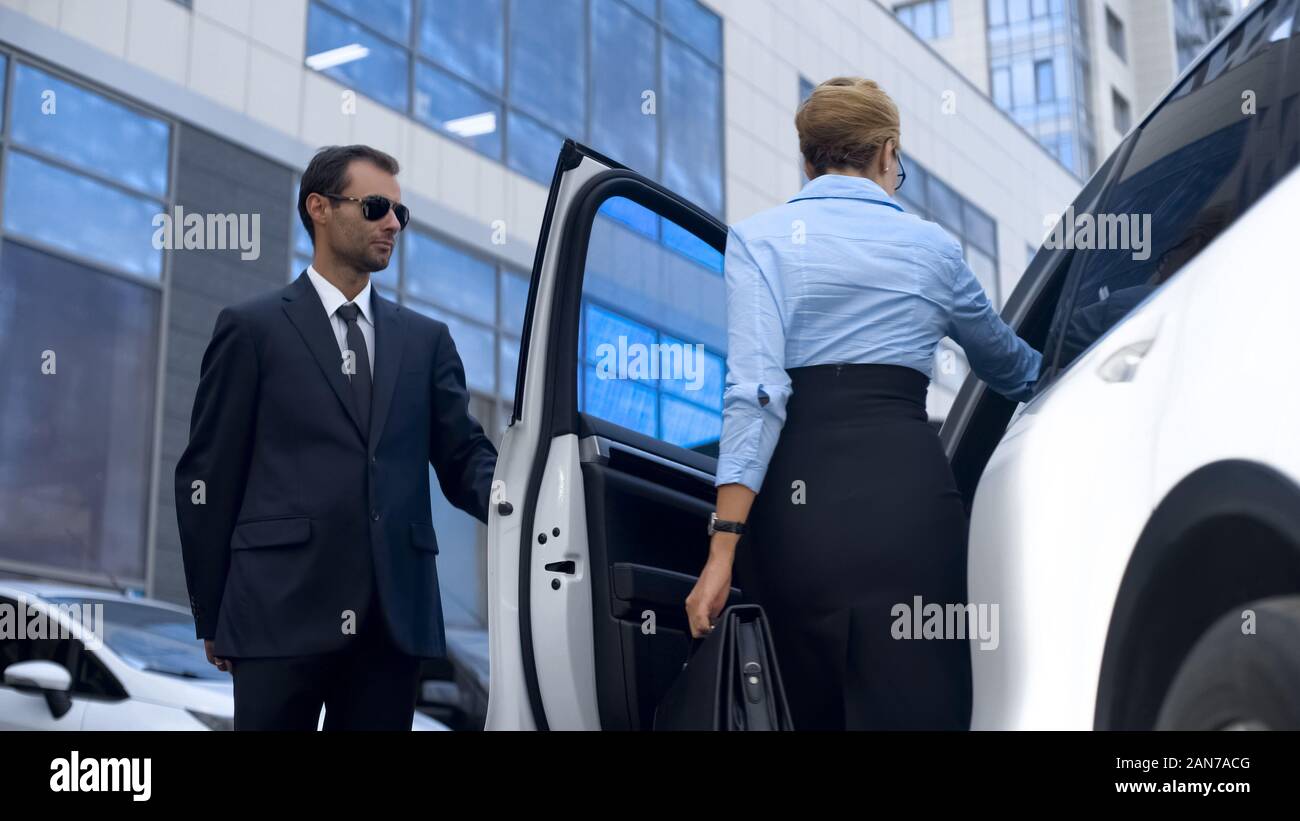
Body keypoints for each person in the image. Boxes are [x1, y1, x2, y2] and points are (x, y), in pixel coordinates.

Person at [684, 77, 1042, 730]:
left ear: (808, 158)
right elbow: (1011, 367)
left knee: (802, 704)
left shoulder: (760, 241)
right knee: (919, 700)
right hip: (909, 511)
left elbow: (756, 396)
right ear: (887, 153)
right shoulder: (934, 249)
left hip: (800, 515)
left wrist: (722, 547)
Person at [174, 144, 497, 730]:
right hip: (275, 613)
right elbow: (207, 476)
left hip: (389, 621)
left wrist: (526, 502)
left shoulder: (427, 343)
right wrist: (214, 612)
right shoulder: (252, 330)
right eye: (376, 207)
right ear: (319, 208)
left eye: (401, 213)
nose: (393, 224)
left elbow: (463, 457)